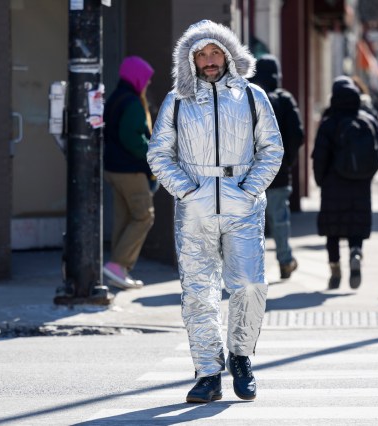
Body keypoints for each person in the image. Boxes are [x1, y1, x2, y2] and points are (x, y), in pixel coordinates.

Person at [147, 20, 283, 403]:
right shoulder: (176, 101)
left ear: (227, 54)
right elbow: (159, 153)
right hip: (195, 209)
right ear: (190, 59)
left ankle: (240, 356)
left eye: (214, 52)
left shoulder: (253, 96)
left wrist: (250, 188)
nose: (209, 60)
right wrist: (188, 190)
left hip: (243, 205)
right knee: (198, 293)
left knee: (251, 285)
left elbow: (272, 148)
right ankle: (208, 371)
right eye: (201, 54)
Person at [312, 76, 378, 290]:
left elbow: (320, 156)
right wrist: (368, 174)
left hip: (333, 184)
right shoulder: (367, 120)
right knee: (356, 225)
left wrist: (320, 180)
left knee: (332, 229)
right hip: (360, 183)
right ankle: (356, 252)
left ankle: (335, 270)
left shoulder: (328, 123)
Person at [102, 56, 157, 290]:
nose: (148, 84)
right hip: (130, 170)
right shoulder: (132, 102)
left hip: (113, 168)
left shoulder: (115, 98)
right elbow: (132, 138)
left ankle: (118, 271)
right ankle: (117, 264)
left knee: (124, 218)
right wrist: (153, 152)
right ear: (136, 78)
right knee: (144, 216)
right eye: (146, 79)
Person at [249, 55, 304, 279]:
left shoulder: (249, 98)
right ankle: (285, 261)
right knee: (279, 218)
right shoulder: (284, 99)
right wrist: (288, 161)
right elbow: (297, 135)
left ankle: (253, 269)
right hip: (278, 172)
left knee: (252, 223)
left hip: (250, 173)